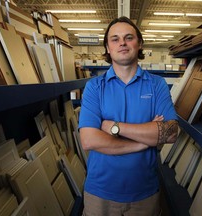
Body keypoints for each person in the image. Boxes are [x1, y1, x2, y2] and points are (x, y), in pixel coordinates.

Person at [78, 16, 179, 216]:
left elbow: (171, 132)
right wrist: (145, 141)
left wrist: (115, 127)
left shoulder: (156, 85)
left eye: (128, 37)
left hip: (144, 193)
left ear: (139, 43)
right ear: (107, 47)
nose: (122, 43)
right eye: (114, 39)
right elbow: (89, 140)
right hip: (100, 195)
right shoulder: (94, 87)